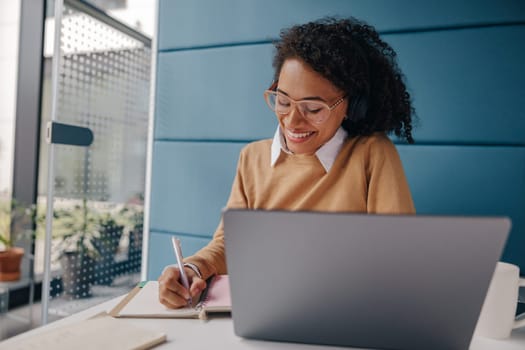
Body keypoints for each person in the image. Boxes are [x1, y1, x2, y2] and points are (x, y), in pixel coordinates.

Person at [158, 16, 416, 309]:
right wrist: (191, 270)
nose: (292, 121)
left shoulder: (373, 154)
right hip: (263, 312)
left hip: (343, 312)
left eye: (313, 108)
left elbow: (398, 258)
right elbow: (229, 244)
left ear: (351, 106)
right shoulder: (252, 158)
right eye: (282, 101)